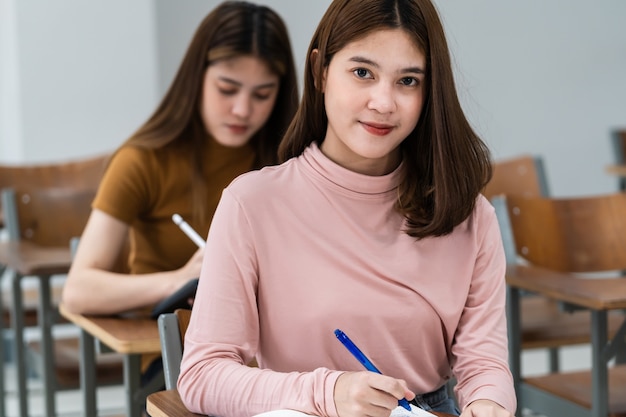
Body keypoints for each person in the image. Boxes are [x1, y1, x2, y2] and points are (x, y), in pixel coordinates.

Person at [178, 0, 516, 416]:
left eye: (408, 81)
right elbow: (202, 375)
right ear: (321, 71)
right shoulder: (251, 203)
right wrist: (328, 393)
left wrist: (488, 404)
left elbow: (484, 364)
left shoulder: (469, 215)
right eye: (362, 73)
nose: (383, 102)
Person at [62, 1, 298, 316]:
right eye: (227, 89)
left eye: (262, 94)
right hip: (174, 352)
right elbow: (78, 291)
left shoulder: (290, 161)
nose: (242, 109)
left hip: (271, 349)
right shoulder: (144, 161)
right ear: (195, 78)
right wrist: (179, 281)